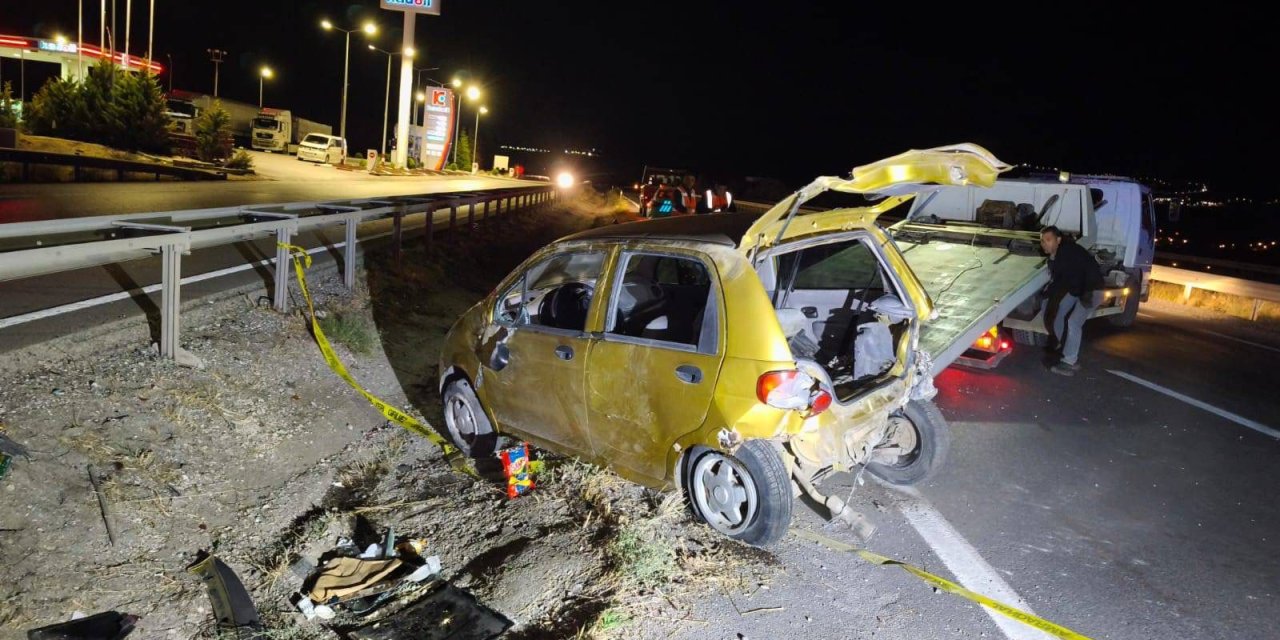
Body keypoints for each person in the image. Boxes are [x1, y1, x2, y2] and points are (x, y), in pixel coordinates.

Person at [1039, 225, 1104, 376]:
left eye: (1048, 240)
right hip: (1079, 289)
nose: (1044, 244)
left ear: (1058, 240)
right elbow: (1062, 280)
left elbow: (1067, 280)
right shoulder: (1058, 254)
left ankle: (1069, 360)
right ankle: (1062, 346)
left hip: (1091, 291)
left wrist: (1049, 292)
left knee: (1074, 322)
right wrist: (1047, 294)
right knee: (1059, 312)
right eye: (1042, 241)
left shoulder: (1068, 252)